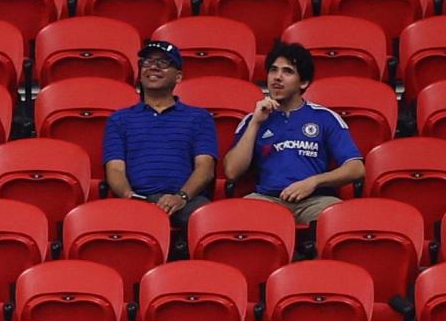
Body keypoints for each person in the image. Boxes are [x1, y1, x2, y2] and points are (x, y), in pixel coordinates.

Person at [223, 41, 365, 224]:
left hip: (315, 200)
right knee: (236, 218)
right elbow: (232, 172)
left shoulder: (325, 118)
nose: (277, 78)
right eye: (273, 70)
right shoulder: (253, 120)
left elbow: (356, 169)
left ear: (304, 82)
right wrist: (255, 123)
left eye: (287, 72)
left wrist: (313, 182)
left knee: (341, 219)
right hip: (267, 199)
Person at [104, 40, 218, 226]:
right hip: (138, 199)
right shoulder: (119, 119)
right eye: (147, 62)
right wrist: (130, 197)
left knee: (207, 220)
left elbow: (205, 168)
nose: (153, 68)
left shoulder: (199, 118)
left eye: (163, 63)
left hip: (186, 201)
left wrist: (180, 196)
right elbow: (115, 169)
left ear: (178, 77)